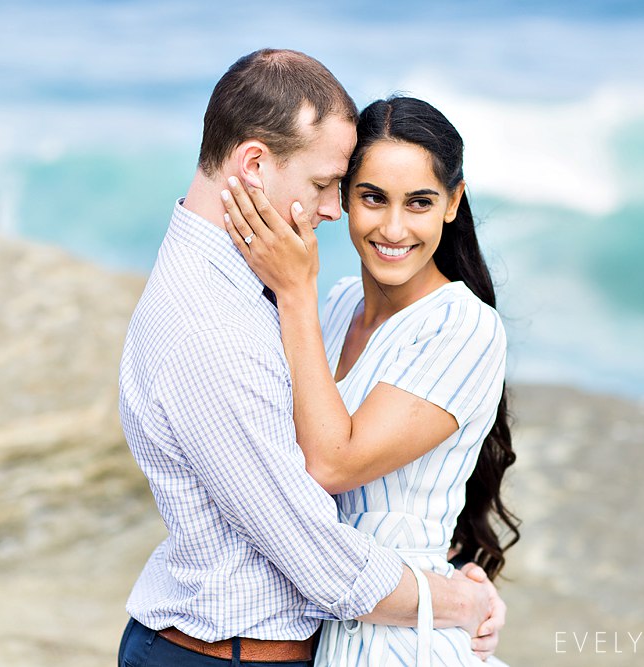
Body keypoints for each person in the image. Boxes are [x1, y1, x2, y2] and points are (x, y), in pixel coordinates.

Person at [117, 50, 506, 667]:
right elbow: (316, 514)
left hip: (376, 637)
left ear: (453, 203)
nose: (331, 210)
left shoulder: (447, 326)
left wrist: (455, 582)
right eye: (350, 192)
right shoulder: (247, 316)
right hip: (245, 647)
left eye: (421, 202)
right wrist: (453, 601)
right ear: (253, 164)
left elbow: (375, 493)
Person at [220, 95, 520, 665]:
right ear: (343, 197)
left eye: (420, 203)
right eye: (373, 198)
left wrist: (293, 291)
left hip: (404, 641)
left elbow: (331, 465)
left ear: (453, 203)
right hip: (324, 628)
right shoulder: (335, 306)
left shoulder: (463, 328)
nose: (393, 227)